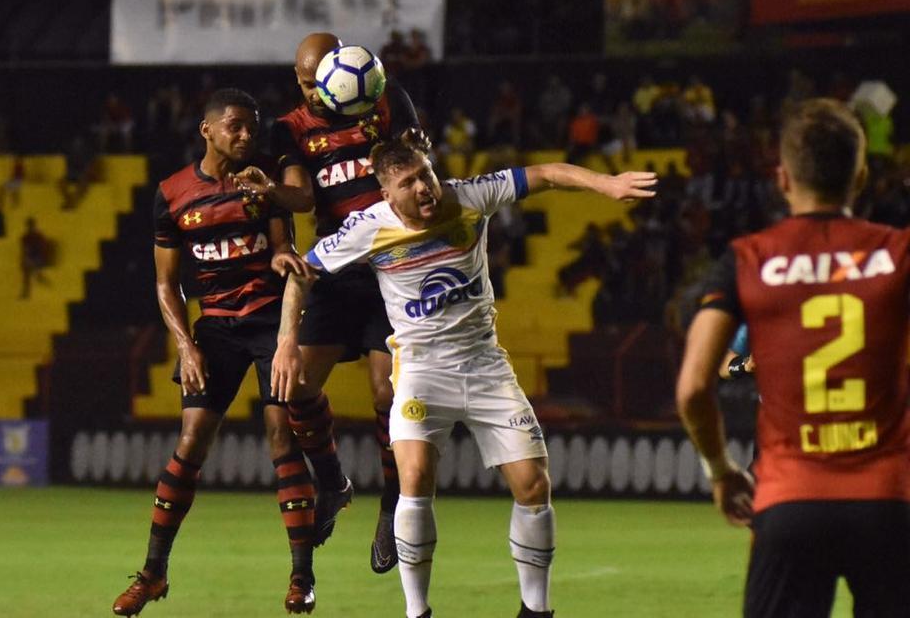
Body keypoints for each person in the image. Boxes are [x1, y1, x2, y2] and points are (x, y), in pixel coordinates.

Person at [270, 136, 657, 618]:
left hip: (485, 366)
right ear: (387, 195)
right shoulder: (367, 228)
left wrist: (607, 183)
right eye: (408, 182)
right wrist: (288, 340)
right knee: (412, 479)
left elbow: (547, 172)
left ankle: (535, 611)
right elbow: (300, 273)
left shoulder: (470, 196)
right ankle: (418, 612)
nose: (424, 187)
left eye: (425, 174)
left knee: (534, 485)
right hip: (420, 372)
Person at [677, 98, 910, 618]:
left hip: (789, 503)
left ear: (782, 178)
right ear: (861, 176)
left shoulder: (746, 259)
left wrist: (720, 471)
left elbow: (693, 387)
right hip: (889, 504)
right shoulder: (897, 253)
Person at [113, 89, 319, 616]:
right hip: (219, 330)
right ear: (207, 129)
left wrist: (280, 258)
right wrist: (185, 347)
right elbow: (166, 285)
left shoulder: (262, 180)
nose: (246, 135)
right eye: (235, 126)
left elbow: (280, 245)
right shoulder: (173, 193)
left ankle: (302, 576)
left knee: (281, 434)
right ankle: (154, 573)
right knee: (192, 440)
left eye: (251, 127)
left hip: (271, 322)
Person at [234, 31, 424, 574]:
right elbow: (302, 195)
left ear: (340, 71)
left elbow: (413, 158)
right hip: (337, 271)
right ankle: (332, 479)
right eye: (297, 80)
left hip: (393, 270)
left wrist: (412, 147)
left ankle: (391, 507)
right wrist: (269, 191)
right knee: (294, 387)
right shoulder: (291, 127)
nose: (304, 90)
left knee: (388, 396)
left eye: (311, 81)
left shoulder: (385, 100)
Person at [19, 217, 50, 299]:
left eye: (30, 225)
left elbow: (43, 248)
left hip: (37, 258)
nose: (29, 227)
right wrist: (23, 259)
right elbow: (24, 250)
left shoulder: (38, 236)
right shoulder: (25, 237)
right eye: (29, 226)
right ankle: (26, 292)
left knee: (28, 271)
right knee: (26, 273)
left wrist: (43, 258)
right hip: (31, 258)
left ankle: (38, 276)